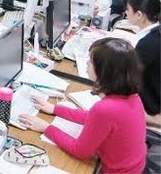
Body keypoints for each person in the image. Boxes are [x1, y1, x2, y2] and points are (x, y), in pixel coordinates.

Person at [18, 37, 147, 173]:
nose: (86, 63)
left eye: (91, 61)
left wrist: (46, 128)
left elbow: (80, 151)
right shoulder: (132, 96)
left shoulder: (105, 109)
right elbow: (93, 118)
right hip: (135, 167)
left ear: (104, 71)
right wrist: (55, 109)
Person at [125, 0, 160, 117]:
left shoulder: (148, 43)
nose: (126, 12)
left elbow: (127, 75)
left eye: (128, 9)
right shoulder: (155, 34)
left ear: (139, 15)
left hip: (150, 105)